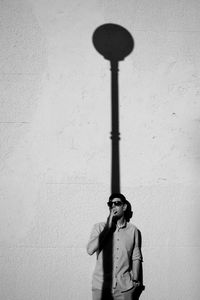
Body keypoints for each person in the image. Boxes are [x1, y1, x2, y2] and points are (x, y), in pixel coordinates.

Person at [86, 193, 143, 300]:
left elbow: (136, 257)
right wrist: (107, 228)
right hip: (101, 287)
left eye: (117, 203)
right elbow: (90, 250)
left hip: (125, 288)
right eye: (110, 204)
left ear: (124, 207)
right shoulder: (99, 227)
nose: (113, 206)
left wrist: (135, 281)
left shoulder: (133, 230)